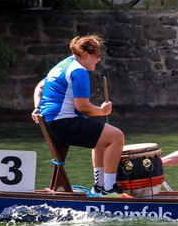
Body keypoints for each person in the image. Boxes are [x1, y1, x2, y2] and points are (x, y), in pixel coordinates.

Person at [31, 35, 125, 196]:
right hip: (63, 124)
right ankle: (110, 189)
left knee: (102, 140)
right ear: (86, 54)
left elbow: (39, 87)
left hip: (51, 125)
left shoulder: (60, 66)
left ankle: (99, 186)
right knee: (117, 137)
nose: (99, 59)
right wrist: (103, 111)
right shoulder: (79, 71)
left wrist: (37, 107)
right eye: (97, 55)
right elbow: (82, 108)